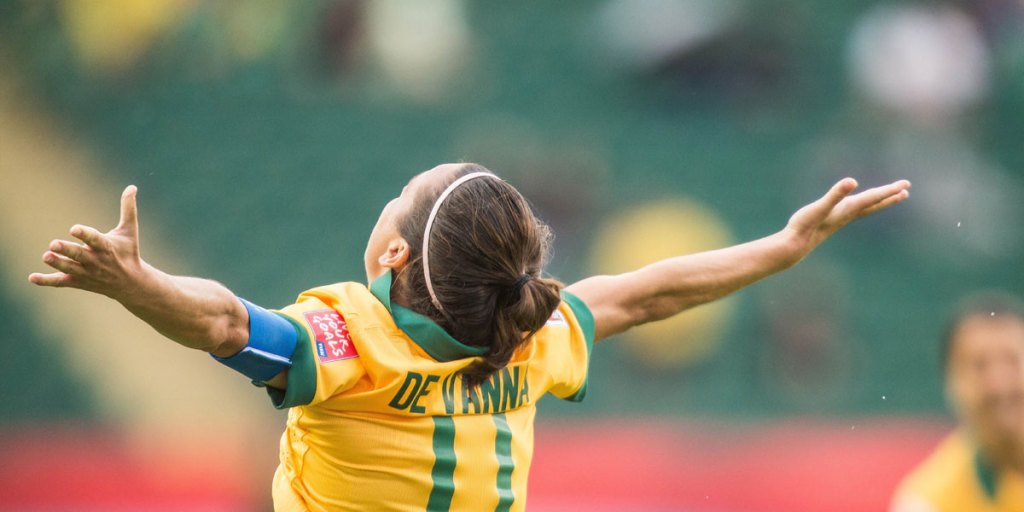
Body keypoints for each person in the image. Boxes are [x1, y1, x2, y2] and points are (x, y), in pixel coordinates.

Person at [30, 163, 910, 511]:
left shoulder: (351, 343)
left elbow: (223, 321)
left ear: (391, 249)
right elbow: (645, 298)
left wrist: (133, 283)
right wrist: (785, 247)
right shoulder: (531, 336)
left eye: (402, 189)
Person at [891, 294, 1024, 512]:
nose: (999, 385)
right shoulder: (928, 502)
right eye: (979, 366)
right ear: (950, 382)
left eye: (1012, 361)